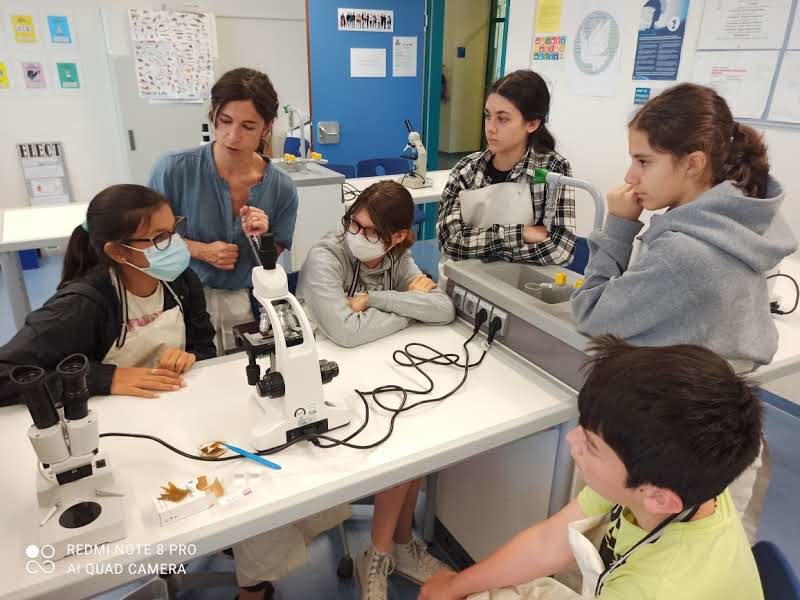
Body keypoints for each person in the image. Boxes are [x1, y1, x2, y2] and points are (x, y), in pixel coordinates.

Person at [420, 336, 764, 600]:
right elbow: (546, 542)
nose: (572, 441)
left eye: (592, 447)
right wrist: (453, 586)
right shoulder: (685, 489)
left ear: (658, 497)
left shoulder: (653, 588)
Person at [298, 180, 455, 599]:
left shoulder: (397, 260)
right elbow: (345, 334)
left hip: (376, 368)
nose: (357, 235)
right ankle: (387, 551)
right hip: (325, 378)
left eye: (371, 232)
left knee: (414, 435)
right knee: (399, 448)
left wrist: (375, 299)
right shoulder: (325, 256)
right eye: (354, 223)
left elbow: (442, 308)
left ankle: (392, 549)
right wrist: (406, 310)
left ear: (399, 237)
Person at [0, 184, 215, 406]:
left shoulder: (183, 282)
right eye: (160, 237)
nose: (177, 243)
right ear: (118, 252)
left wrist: (191, 357)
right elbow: (4, 374)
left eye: (175, 229)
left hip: (170, 404)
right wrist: (102, 378)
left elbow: (204, 346)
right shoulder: (81, 304)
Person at [148, 67, 298, 354]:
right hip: (181, 299)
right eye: (225, 121)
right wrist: (200, 250)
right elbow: (147, 243)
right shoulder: (173, 170)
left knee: (243, 377)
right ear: (213, 115)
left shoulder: (282, 188)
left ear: (267, 127)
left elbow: (274, 254)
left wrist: (260, 239)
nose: (232, 136)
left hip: (247, 303)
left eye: (248, 126)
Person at [436, 69, 576, 270]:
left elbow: (560, 250)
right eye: (488, 116)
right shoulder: (467, 169)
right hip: (463, 282)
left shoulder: (551, 169)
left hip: (515, 289)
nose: (490, 128)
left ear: (532, 123)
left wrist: (478, 245)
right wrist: (520, 234)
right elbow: (449, 243)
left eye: (503, 119)